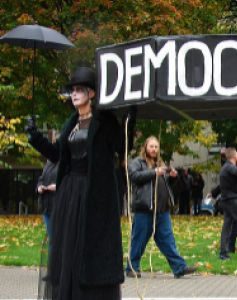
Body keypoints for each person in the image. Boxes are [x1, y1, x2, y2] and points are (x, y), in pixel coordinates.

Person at [25, 67, 135, 300]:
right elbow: (57, 154)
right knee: (69, 251)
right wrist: (36, 137)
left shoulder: (104, 122)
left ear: (92, 94)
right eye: (72, 90)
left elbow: (121, 146)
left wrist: (129, 120)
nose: (74, 94)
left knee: (91, 247)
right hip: (69, 195)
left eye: (79, 90)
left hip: (95, 193)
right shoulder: (70, 124)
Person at [126, 136, 198, 279]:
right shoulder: (137, 163)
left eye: (156, 147)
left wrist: (172, 177)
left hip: (162, 210)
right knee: (138, 240)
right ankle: (132, 268)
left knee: (168, 241)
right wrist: (154, 172)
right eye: (151, 146)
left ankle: (179, 268)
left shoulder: (160, 163)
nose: (154, 149)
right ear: (145, 147)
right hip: (145, 209)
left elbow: (165, 183)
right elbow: (134, 176)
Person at [36, 159, 58, 238]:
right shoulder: (48, 164)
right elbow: (41, 179)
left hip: (58, 206)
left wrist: (57, 186)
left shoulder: (66, 163)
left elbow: (69, 181)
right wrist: (39, 187)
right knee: (51, 237)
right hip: (46, 206)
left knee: (57, 238)